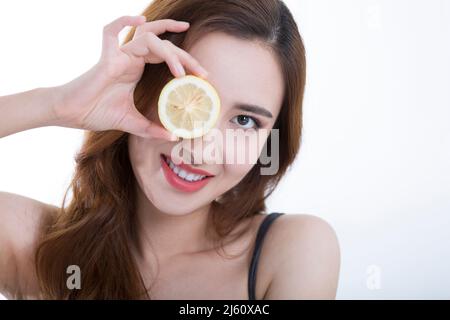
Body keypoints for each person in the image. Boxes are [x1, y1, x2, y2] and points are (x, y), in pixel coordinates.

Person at [0, 0, 340, 299]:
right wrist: (59, 105)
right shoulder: (37, 244)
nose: (202, 148)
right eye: (186, 94)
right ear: (140, 87)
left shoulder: (292, 251)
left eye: (245, 121)